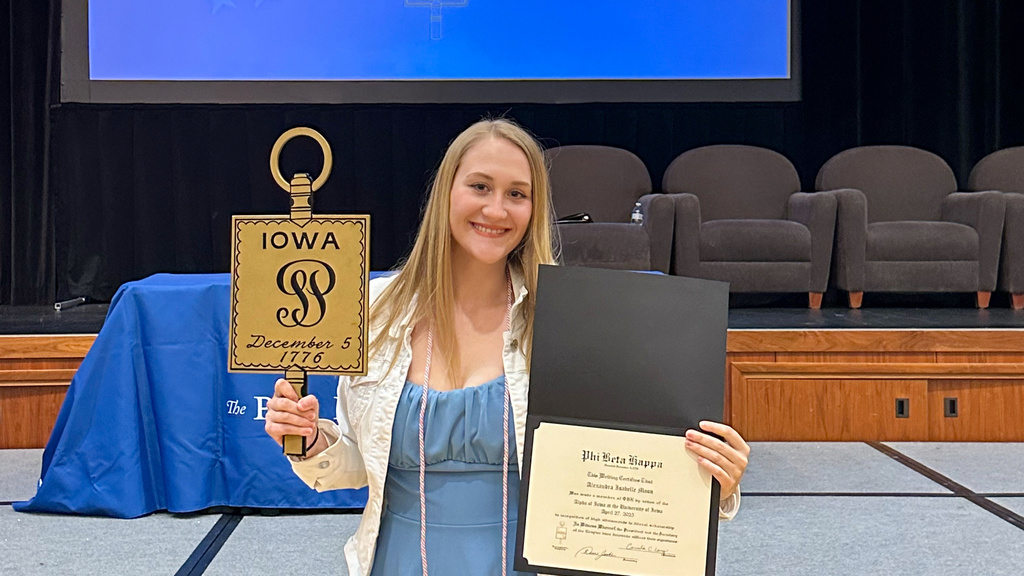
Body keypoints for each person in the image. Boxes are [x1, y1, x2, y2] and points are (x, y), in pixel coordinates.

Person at [263, 118, 751, 576]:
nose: (496, 210)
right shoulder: (370, 310)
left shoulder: (571, 322)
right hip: (398, 561)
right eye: (479, 186)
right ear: (446, 192)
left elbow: (621, 473)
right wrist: (311, 443)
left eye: (517, 194)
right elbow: (357, 466)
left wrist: (714, 482)